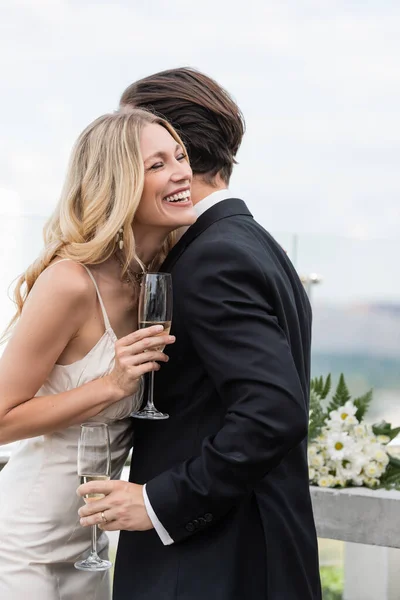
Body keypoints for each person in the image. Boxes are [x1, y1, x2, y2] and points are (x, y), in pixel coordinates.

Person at [78, 68, 322, 599]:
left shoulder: (214, 257)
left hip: (215, 566)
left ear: (178, 149)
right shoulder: (252, 243)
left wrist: (157, 502)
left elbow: (271, 410)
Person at [0, 107, 197, 600]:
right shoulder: (69, 282)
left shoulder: (156, 282)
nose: (180, 172)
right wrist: (110, 385)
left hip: (91, 550)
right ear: (118, 182)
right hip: (23, 550)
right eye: (157, 165)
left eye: (180, 156)